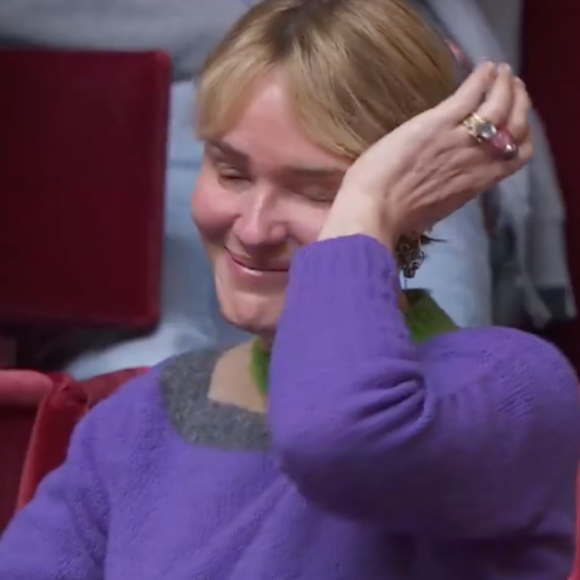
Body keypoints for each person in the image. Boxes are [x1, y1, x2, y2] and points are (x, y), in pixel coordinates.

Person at [1, 0, 579, 578]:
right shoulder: (134, 421)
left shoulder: (514, 390)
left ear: (417, 197)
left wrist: (368, 208)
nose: (252, 230)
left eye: (318, 192)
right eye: (230, 171)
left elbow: (339, 441)